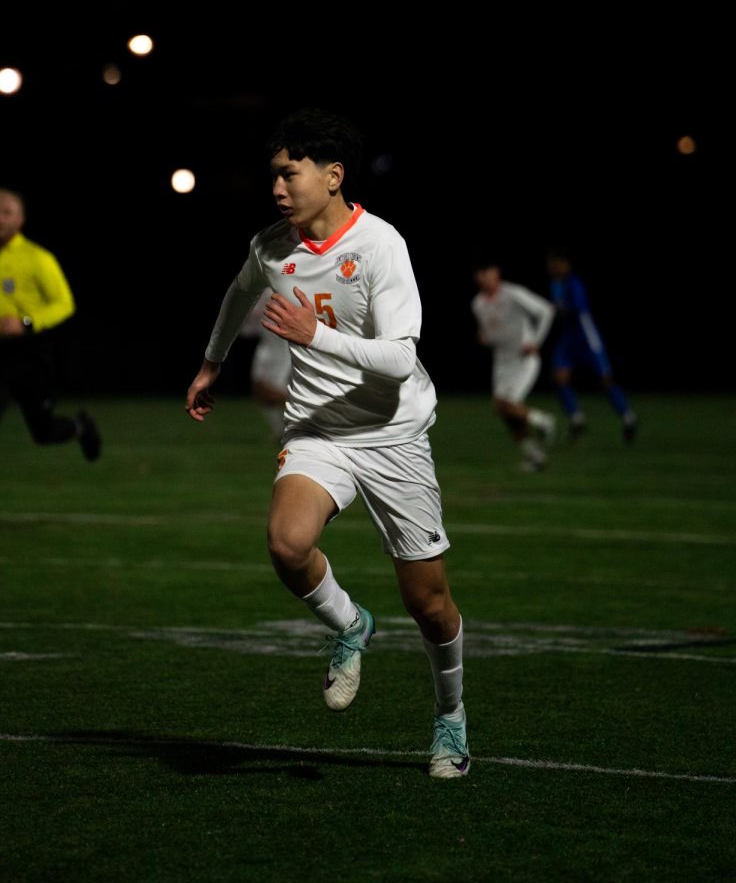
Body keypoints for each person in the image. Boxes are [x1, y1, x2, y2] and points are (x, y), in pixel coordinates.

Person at [185, 108, 468, 779]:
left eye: (291, 173)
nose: (277, 187)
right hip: (318, 429)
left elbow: (400, 359)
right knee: (287, 543)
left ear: (333, 176)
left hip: (393, 433)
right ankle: (350, 624)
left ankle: (450, 720)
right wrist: (212, 363)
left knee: (428, 602)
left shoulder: (380, 245)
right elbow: (237, 293)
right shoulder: (271, 246)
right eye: (273, 175)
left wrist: (315, 337)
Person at [0, 188, 101, 536]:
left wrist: (26, 323)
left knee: (42, 431)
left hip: (29, 356)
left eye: (7, 212)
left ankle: (80, 429)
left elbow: (64, 303)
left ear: (20, 219)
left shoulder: (37, 258)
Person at [471, 259, 556, 472]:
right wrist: (486, 338)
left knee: (507, 405)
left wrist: (536, 341)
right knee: (502, 411)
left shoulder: (513, 294)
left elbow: (546, 311)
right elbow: (493, 334)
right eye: (481, 274)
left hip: (523, 359)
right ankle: (535, 457)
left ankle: (544, 421)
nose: (485, 277)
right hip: (502, 362)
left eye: (488, 271)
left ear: (496, 272)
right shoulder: (478, 304)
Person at [546, 249, 637, 443]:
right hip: (568, 339)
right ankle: (576, 418)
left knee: (605, 380)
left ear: (566, 264)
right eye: (551, 265)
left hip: (587, 338)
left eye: (556, 264)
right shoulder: (554, 284)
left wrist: (560, 309)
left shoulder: (574, 284)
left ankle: (628, 417)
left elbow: (578, 308)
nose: (553, 268)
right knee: (560, 377)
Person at [239, 287, 292, 442]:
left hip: (284, 349)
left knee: (274, 391)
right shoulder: (259, 295)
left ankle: (316, 408)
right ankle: (279, 432)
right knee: (260, 391)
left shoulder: (284, 289)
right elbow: (248, 329)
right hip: (265, 349)